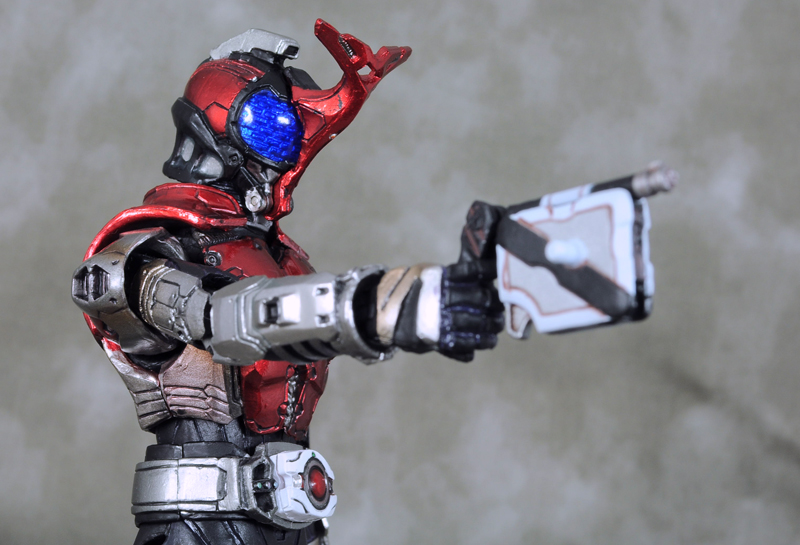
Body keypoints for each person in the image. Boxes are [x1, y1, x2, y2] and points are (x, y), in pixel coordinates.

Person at [71, 21, 503, 545]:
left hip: (295, 520)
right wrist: (389, 306)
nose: (281, 141)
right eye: (264, 125)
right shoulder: (146, 253)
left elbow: (321, 323)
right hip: (196, 523)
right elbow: (229, 317)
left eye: (286, 128)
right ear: (213, 126)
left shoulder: (282, 257)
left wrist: (429, 309)